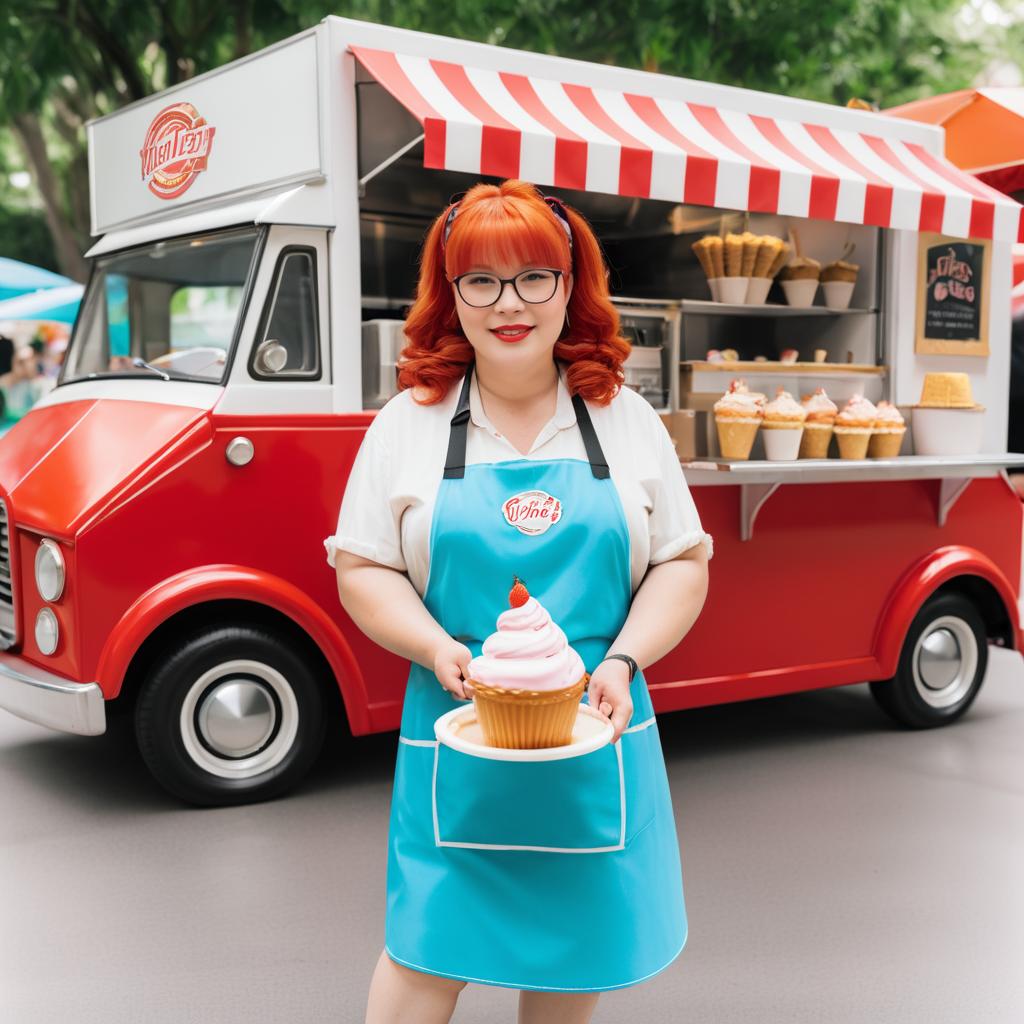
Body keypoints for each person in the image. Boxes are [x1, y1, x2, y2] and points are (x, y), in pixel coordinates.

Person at [325, 180, 712, 1024]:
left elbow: (682, 563)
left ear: (571, 287)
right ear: (450, 295)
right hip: (459, 735)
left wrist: (623, 658)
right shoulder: (407, 424)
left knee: (570, 963)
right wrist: (434, 646)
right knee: (424, 955)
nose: (510, 303)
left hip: (594, 735)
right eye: (482, 281)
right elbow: (363, 567)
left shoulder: (626, 420)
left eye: (535, 277)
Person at [0, 343, 54, 421]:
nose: (25, 365)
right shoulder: (6, 383)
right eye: (21, 362)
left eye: (28, 361)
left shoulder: (41, 384)